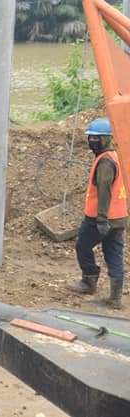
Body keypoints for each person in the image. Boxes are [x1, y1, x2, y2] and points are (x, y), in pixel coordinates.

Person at [71, 117, 127, 309]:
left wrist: (101, 220)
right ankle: (115, 297)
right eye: (91, 138)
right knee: (114, 255)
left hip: (99, 218)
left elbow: (104, 190)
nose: (92, 142)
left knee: (82, 246)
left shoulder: (104, 163)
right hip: (118, 218)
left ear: (106, 139)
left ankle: (89, 280)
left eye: (96, 139)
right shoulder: (116, 157)